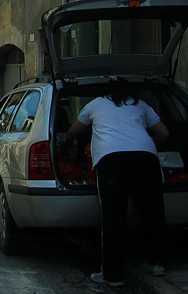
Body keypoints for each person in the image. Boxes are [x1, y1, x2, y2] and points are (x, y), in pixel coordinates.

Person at [60, 78, 170, 287]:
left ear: (106, 91)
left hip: (112, 161)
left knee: (114, 218)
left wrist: (65, 143)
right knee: (153, 213)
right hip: (146, 160)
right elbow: (164, 133)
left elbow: (75, 131)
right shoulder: (140, 105)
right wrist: (148, 146)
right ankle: (157, 264)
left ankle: (112, 274)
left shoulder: (96, 104)